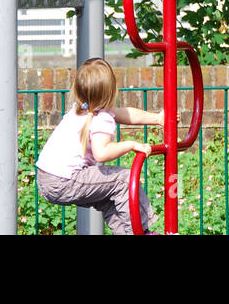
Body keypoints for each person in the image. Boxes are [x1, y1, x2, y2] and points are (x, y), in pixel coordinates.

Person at [35, 58, 164, 234]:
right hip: (64, 180)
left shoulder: (83, 108)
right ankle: (141, 231)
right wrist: (131, 144)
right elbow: (101, 154)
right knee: (124, 180)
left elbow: (127, 114)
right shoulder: (101, 118)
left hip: (46, 179)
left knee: (111, 199)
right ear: (112, 90)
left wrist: (157, 119)